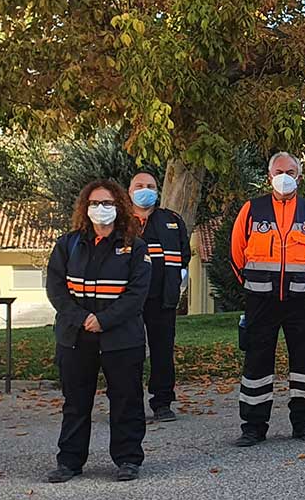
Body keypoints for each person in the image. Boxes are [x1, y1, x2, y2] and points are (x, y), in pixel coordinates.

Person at [45, 180, 152, 483]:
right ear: (84, 208)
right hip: (75, 337)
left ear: (119, 207)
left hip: (121, 338)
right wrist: (82, 318)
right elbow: (55, 288)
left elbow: (137, 293)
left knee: (126, 401)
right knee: (75, 402)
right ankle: (69, 462)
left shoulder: (135, 246)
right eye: (94, 203)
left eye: (107, 203)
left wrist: (104, 320)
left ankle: (128, 459)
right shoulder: (68, 244)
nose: (100, 209)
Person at [230, 152, 305, 447]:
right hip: (260, 300)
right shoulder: (252, 209)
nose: (285, 175)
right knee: (256, 363)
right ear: (269, 176)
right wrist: (253, 284)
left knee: (304, 363)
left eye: (291, 171)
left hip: (301, 301)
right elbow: (237, 252)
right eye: (279, 171)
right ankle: (253, 426)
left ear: (299, 177)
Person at [128, 170, 191, 423]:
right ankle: (127, 403)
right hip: (127, 301)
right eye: (140, 185)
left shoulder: (172, 220)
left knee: (162, 352)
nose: (146, 189)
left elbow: (183, 256)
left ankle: (162, 402)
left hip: (162, 299)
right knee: (127, 352)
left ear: (158, 191)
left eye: (151, 186)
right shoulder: (120, 222)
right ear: (130, 191)